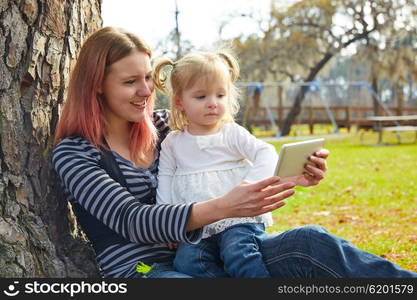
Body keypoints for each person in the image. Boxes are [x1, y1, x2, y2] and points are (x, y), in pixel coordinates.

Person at [52, 26, 417, 278]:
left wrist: (291, 175)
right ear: (96, 86)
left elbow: (227, 157)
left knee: (311, 242)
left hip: (218, 245)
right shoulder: (75, 154)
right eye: (130, 82)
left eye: (148, 77)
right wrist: (225, 206)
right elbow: (132, 220)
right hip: (144, 269)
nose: (146, 91)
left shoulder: (168, 127)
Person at [152, 50, 290, 278]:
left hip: (238, 219)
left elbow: (266, 152)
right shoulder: (173, 143)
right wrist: (168, 225)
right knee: (187, 263)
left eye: (220, 95)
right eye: (201, 97)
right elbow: (165, 179)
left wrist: (248, 185)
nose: (212, 104)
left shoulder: (232, 133)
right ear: (179, 101)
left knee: (238, 254)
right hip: (197, 223)